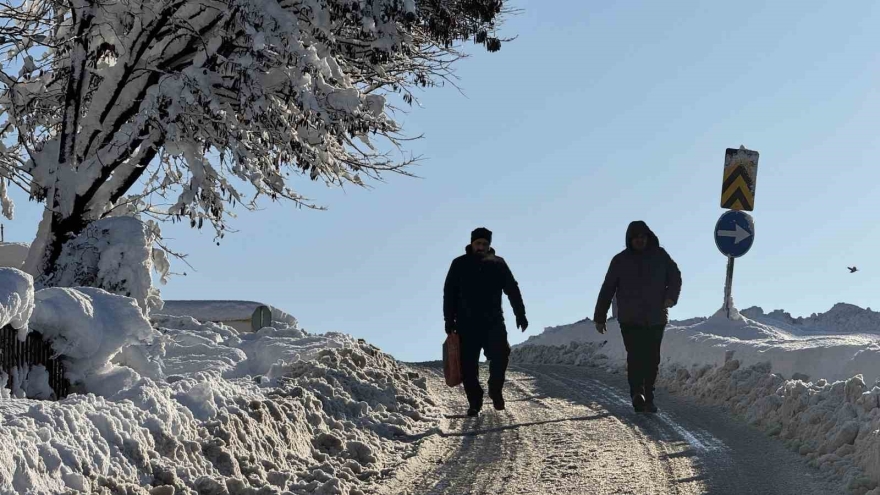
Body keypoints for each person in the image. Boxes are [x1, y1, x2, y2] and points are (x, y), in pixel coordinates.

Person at [594, 221, 681, 413]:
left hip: (656, 317)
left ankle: (649, 396)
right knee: (635, 356)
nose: (639, 241)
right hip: (630, 319)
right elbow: (607, 288)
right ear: (630, 240)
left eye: (642, 237)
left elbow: (675, 277)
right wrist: (600, 316)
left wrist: (670, 297)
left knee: (652, 359)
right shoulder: (620, 261)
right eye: (635, 238)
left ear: (648, 237)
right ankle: (637, 393)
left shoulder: (660, 256)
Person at [444, 227, 528, 417]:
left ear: (489, 245)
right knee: (468, 366)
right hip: (466, 324)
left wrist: (520, 314)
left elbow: (512, 289)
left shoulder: (498, 263)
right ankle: (475, 402)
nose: (481, 247)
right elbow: (449, 293)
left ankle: (495, 389)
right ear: (471, 244)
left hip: (494, 322)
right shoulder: (459, 264)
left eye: (484, 243)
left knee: (501, 355)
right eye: (478, 243)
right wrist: (449, 320)